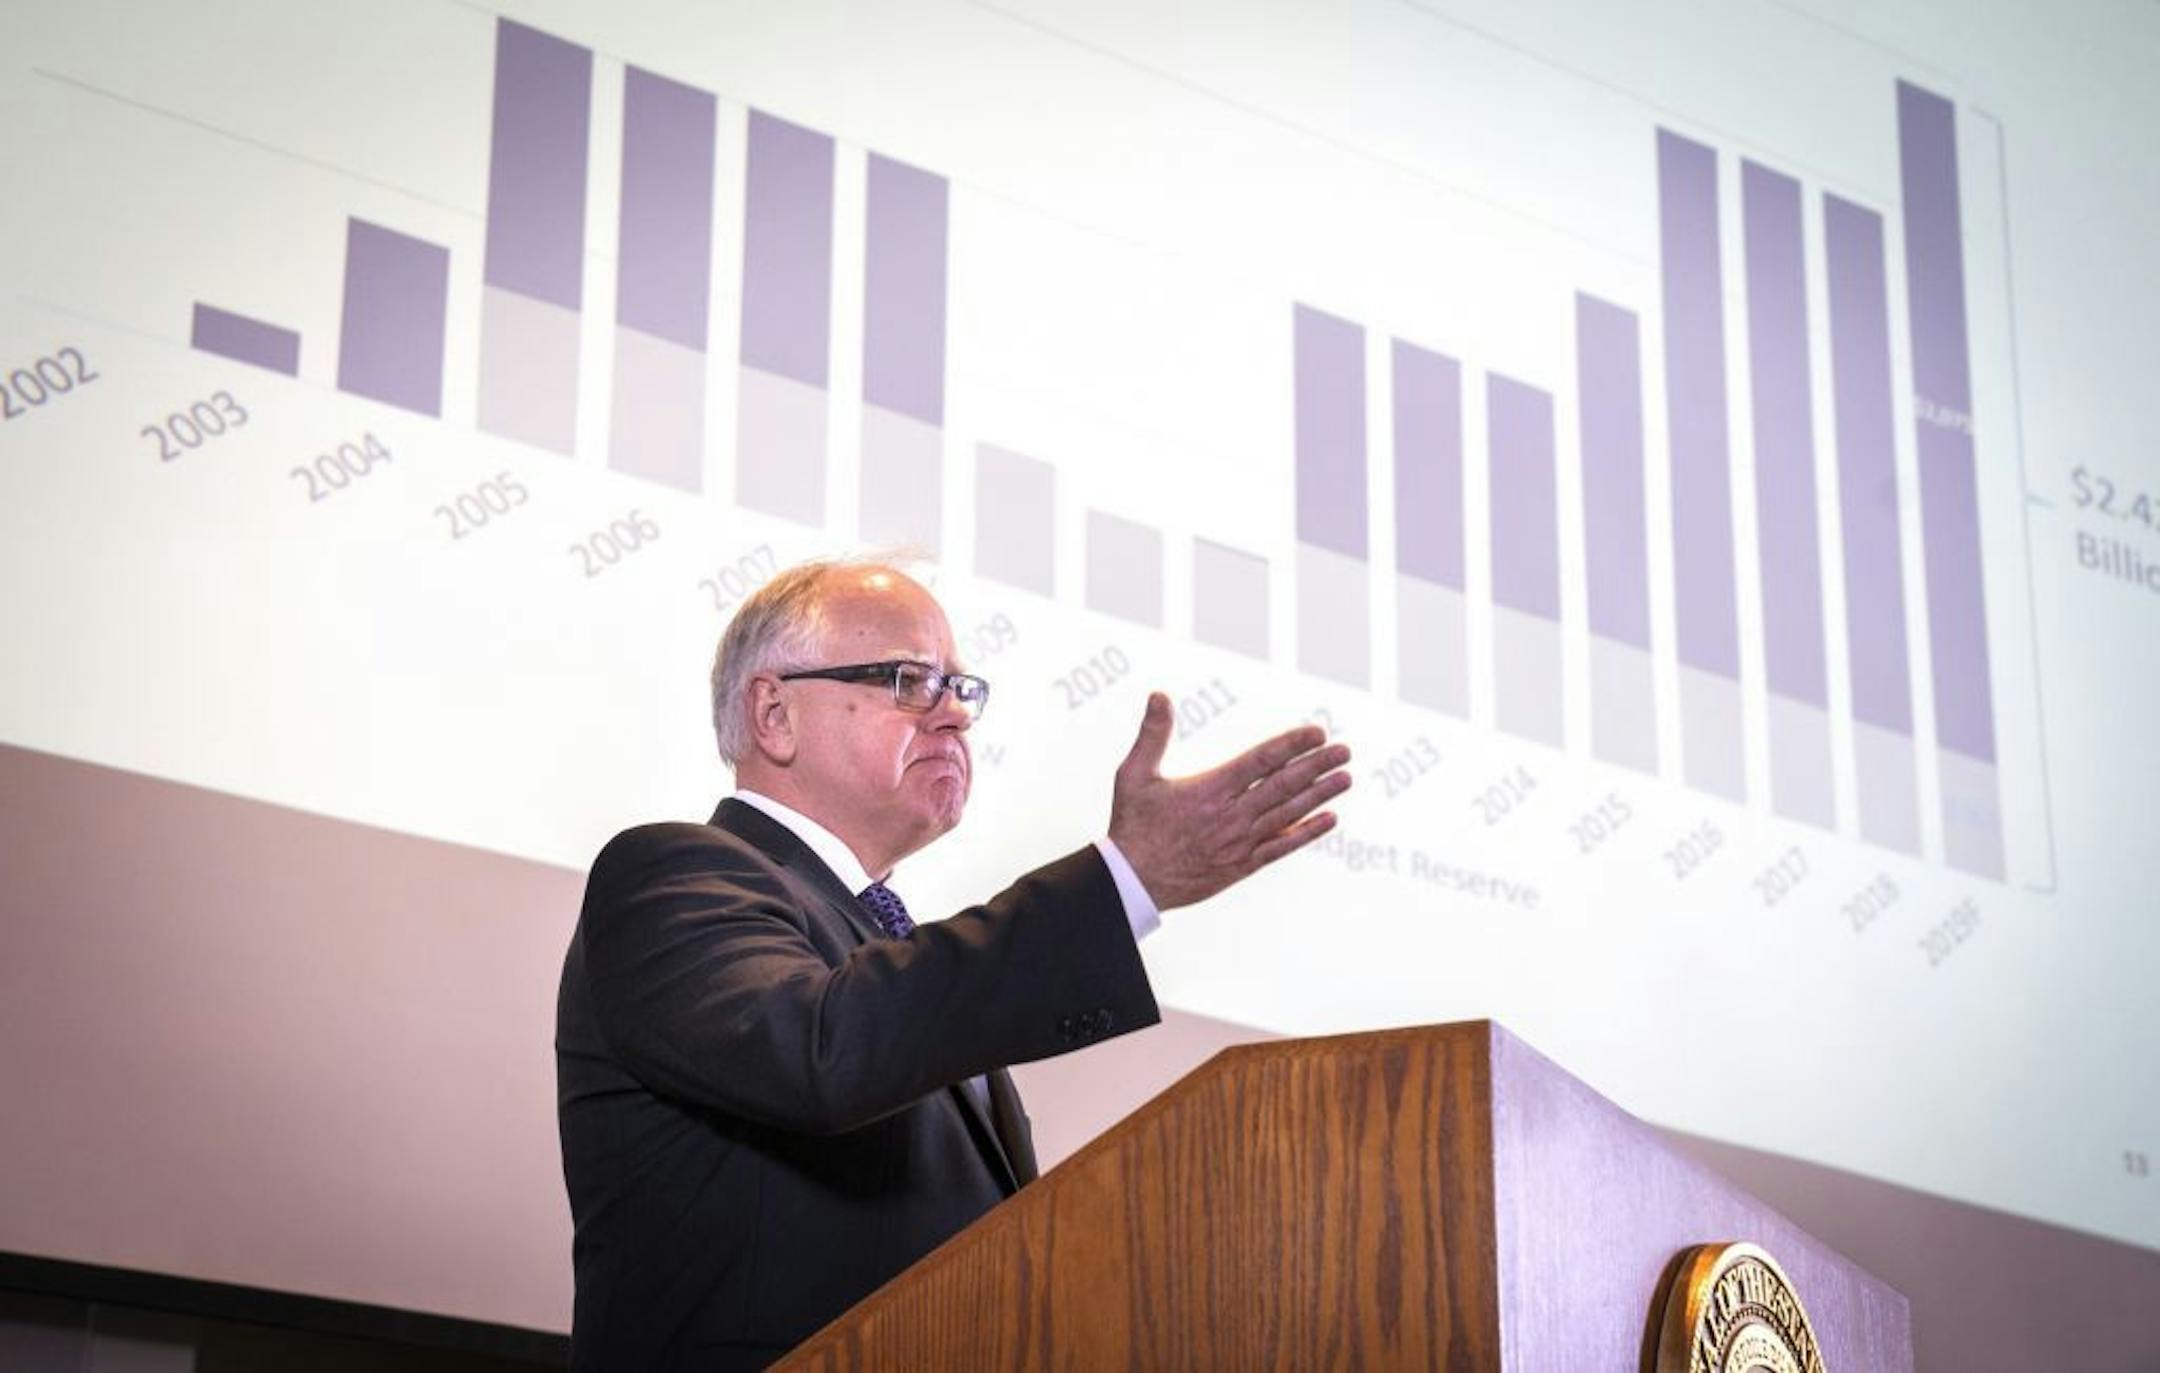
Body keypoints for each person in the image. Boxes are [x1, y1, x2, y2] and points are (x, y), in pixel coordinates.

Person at [555, 556, 1350, 1369]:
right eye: (909, 681)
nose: (954, 718)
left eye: (960, 690)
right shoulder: (670, 875)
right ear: (774, 713)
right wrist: (1122, 883)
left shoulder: (895, 956)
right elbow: (824, 1050)